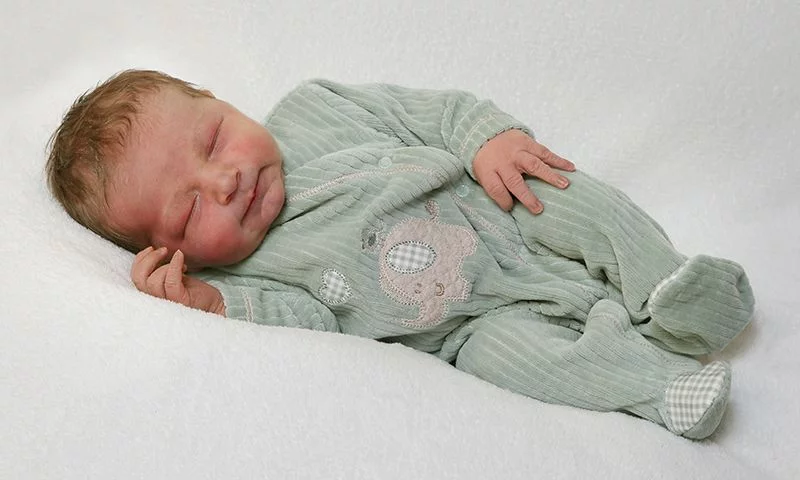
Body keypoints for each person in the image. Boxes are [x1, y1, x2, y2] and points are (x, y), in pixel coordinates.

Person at [46, 69, 754, 439]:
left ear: (218, 99)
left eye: (213, 139)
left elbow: (431, 114)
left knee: (568, 196)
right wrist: (208, 304)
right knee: (516, 364)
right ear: (170, 249)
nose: (224, 180)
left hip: (498, 208)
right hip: (467, 326)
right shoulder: (246, 274)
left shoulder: (315, 108)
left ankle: (673, 291)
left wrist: (486, 141)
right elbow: (311, 326)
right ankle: (656, 385)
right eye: (190, 208)